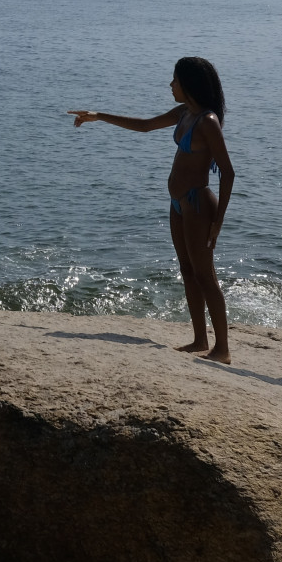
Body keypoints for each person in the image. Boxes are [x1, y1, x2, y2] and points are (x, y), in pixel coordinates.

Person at [70, 57, 236, 363]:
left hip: (198, 204)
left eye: (175, 80)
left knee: (205, 275)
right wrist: (99, 116)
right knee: (187, 271)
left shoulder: (207, 121)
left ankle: (222, 349)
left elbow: (228, 172)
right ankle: (200, 340)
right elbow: (145, 126)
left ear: (189, 84)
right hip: (178, 203)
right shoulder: (184, 113)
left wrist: (218, 222)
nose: (171, 85)